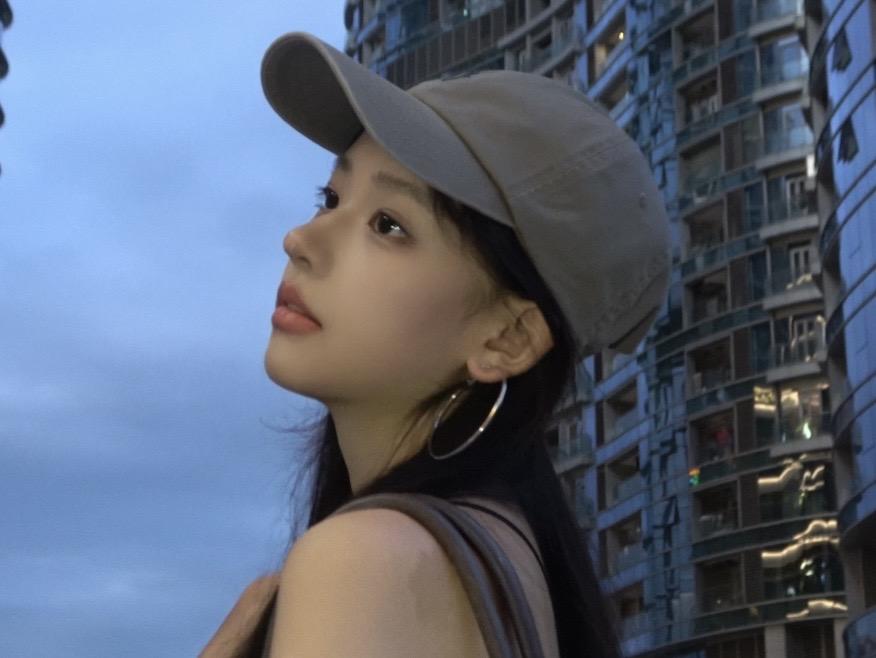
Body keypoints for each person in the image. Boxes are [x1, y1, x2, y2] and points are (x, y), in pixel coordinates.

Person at [200, 29, 672, 658]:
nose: (301, 239)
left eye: (389, 225)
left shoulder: (367, 561)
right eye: (330, 198)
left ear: (508, 338)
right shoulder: (506, 550)